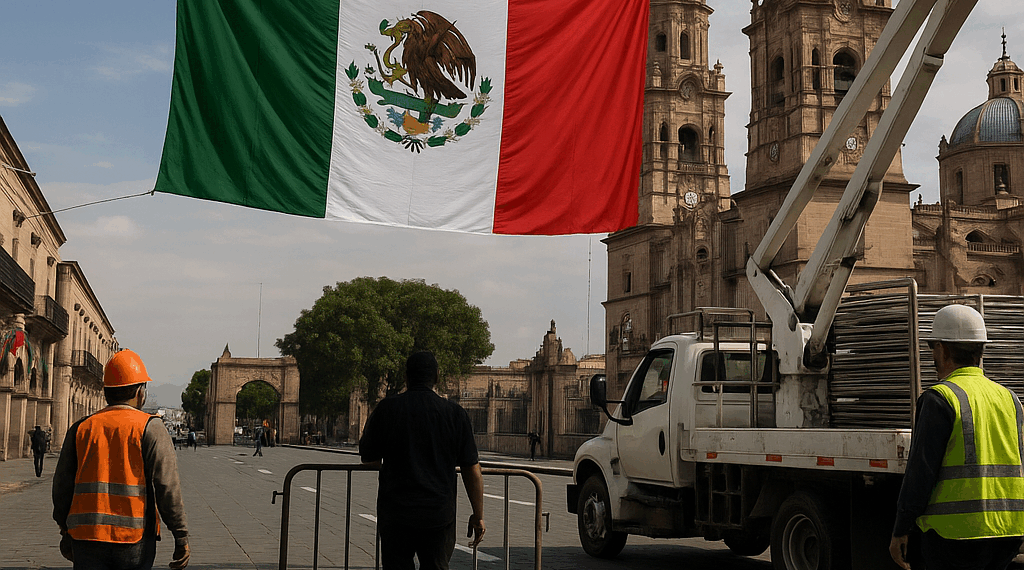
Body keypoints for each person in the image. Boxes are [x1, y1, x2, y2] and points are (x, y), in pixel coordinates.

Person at [890, 305, 1024, 570]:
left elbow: (920, 473)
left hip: (953, 536)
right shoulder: (1010, 399)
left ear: (944, 349)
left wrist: (900, 529)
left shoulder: (939, 398)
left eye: (933, 347)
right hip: (1007, 532)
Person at [52, 349, 190, 569]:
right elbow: (167, 487)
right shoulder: (150, 427)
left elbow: (61, 486)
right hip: (133, 538)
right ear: (140, 392)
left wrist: (64, 528)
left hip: (85, 536)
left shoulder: (80, 428)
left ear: (106, 392)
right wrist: (180, 535)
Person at [359, 351, 485, 570]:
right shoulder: (455, 414)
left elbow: (367, 457)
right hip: (438, 514)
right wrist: (478, 515)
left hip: (396, 512)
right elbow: (471, 469)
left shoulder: (386, 409)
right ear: (437, 376)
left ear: (406, 378)